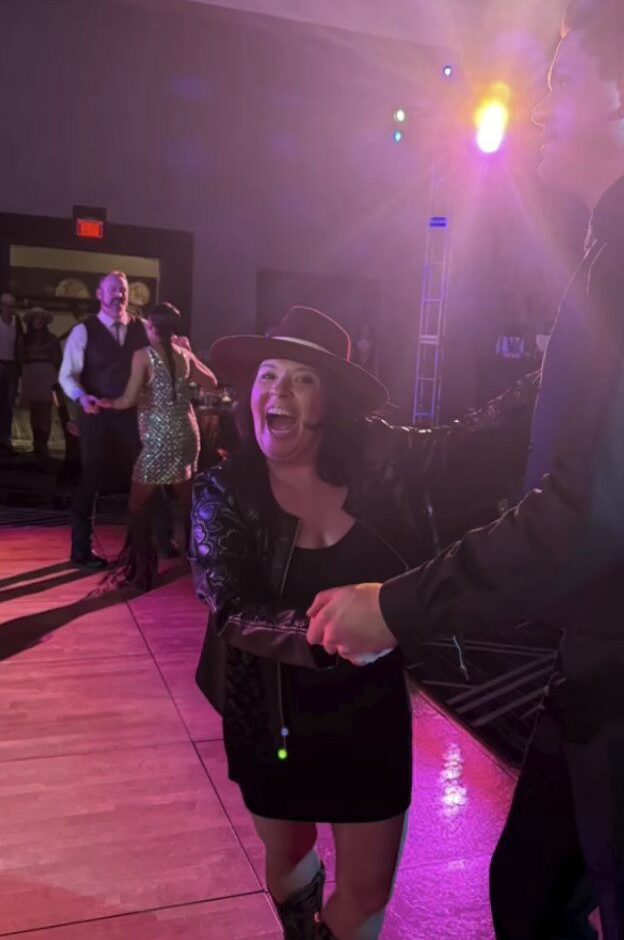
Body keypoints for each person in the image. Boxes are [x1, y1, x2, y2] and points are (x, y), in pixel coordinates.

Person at [306, 0, 624, 940]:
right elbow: (546, 416)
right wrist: (388, 448)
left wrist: (396, 608)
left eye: (563, 77)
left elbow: (594, 508)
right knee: (530, 897)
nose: (540, 101)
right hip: (616, 656)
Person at [189, 306, 537, 940]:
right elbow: (231, 606)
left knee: (368, 891)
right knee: (291, 853)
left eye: (302, 378)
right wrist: (331, 635)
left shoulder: (386, 460)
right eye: (269, 375)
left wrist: (570, 364)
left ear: (334, 401)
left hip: (368, 709)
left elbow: (482, 437)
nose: (277, 391)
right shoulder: (222, 488)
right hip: (267, 711)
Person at [97, 302, 216, 589]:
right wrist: (186, 350)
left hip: (159, 439)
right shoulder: (184, 356)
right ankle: (195, 560)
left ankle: (143, 570)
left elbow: (127, 400)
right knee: (187, 501)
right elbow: (211, 381)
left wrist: (104, 403)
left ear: (151, 326)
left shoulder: (144, 356)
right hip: (187, 435)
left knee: (137, 504)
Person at [59, 271, 152, 568]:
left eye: (122, 290)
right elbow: (67, 375)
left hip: (131, 415)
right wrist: (81, 396)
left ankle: (144, 546)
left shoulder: (142, 328)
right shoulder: (83, 330)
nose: (118, 295)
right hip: (95, 414)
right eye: (112, 289)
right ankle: (81, 550)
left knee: (143, 479)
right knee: (91, 480)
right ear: (99, 294)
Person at [20, 306, 62, 458]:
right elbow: (20, 359)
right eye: (36, 318)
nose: (38, 321)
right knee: (34, 410)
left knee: (44, 410)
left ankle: (43, 445)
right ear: (31, 321)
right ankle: (36, 445)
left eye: (41, 319)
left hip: (46, 374)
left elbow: (58, 359)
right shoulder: (24, 340)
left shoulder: (52, 339)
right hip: (30, 373)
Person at [0, 291, 23, 452]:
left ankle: (6, 437)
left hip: (12, 366)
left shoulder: (18, 323)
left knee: (9, 403)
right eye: (6, 305)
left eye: (11, 305)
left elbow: (20, 345)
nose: (9, 308)